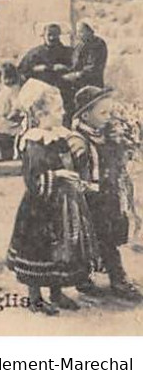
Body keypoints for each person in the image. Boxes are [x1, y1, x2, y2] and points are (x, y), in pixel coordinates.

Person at [7, 79, 97, 315]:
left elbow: (73, 156)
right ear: (40, 114)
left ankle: (56, 293)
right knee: (39, 250)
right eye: (58, 109)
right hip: (41, 208)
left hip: (62, 205)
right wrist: (57, 175)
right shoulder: (34, 141)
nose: (64, 112)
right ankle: (35, 298)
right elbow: (33, 179)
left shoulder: (58, 135)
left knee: (59, 251)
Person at [71, 85, 141, 301]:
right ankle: (88, 277)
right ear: (85, 115)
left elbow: (116, 162)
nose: (108, 117)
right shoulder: (77, 140)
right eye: (103, 113)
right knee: (86, 238)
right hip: (88, 198)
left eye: (110, 112)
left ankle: (112, 277)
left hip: (108, 195)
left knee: (109, 237)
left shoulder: (107, 134)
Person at [62, 21, 108, 93]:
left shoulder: (97, 44)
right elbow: (75, 63)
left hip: (91, 82)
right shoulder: (80, 44)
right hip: (80, 78)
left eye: (81, 32)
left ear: (90, 31)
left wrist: (76, 75)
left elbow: (92, 68)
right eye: (77, 32)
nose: (78, 35)